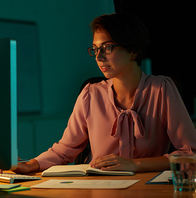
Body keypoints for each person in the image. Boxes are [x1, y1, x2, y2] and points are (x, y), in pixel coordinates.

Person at [14, 12, 196, 174]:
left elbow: (191, 153)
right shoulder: (90, 94)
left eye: (107, 48)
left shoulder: (162, 89)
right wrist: (31, 164)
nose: (99, 57)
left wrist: (135, 164)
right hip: (99, 187)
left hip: (146, 188)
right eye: (95, 49)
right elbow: (64, 150)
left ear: (133, 51)